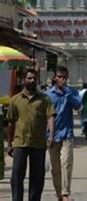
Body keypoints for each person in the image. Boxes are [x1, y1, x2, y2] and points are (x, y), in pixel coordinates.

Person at [7, 68, 55, 201]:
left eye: (34, 78)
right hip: (20, 143)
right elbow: (11, 123)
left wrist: (51, 135)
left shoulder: (45, 99)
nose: (32, 80)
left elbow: (50, 116)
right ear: (24, 80)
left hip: (38, 143)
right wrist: (9, 143)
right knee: (17, 175)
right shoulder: (15, 100)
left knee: (37, 177)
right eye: (29, 78)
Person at [47, 65, 81, 201]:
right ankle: (59, 194)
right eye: (59, 77)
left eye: (64, 77)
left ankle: (65, 192)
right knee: (55, 167)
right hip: (52, 134)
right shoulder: (48, 95)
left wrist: (67, 92)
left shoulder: (72, 92)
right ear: (55, 78)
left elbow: (78, 105)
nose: (62, 80)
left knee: (66, 162)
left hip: (67, 133)